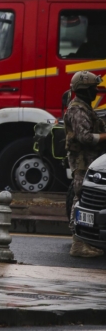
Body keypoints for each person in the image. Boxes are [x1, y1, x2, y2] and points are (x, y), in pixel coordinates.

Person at [65, 70, 106, 258]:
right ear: (84, 90)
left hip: (90, 159)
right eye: (93, 88)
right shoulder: (77, 110)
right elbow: (85, 137)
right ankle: (78, 243)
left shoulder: (86, 108)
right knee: (80, 196)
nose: (96, 92)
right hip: (82, 160)